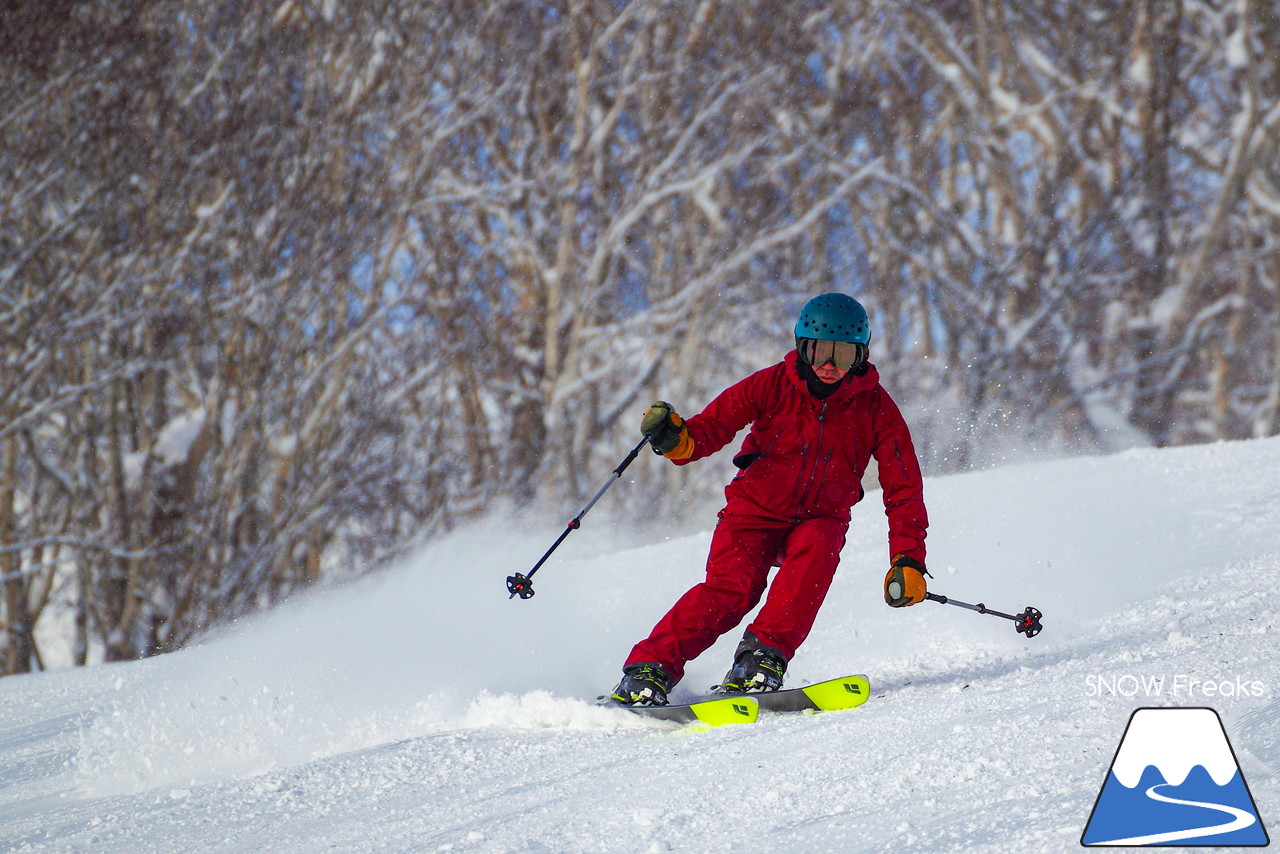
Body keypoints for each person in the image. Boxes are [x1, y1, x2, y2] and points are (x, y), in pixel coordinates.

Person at [609, 292, 929, 706]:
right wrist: (677, 439)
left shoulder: (877, 410)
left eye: (844, 353)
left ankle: (761, 659)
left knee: (817, 553)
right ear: (802, 347)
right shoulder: (771, 385)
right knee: (731, 589)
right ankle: (649, 668)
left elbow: (904, 488)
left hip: (820, 518)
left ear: (861, 356)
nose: (830, 364)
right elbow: (710, 429)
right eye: (820, 351)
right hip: (752, 513)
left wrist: (907, 559)